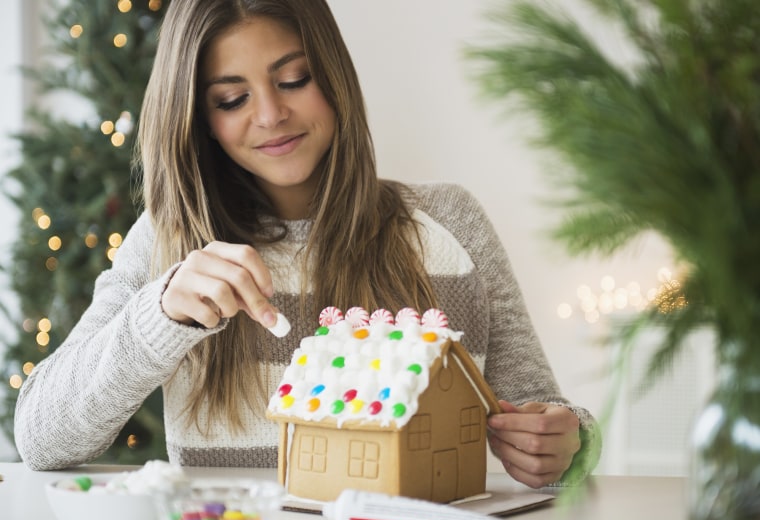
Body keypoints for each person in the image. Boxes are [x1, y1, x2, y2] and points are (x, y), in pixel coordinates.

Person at [14, 0, 600, 489]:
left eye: (294, 79)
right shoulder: (167, 242)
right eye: (231, 99)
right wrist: (160, 314)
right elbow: (40, 437)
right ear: (197, 116)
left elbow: (545, 420)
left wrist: (569, 439)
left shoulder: (449, 227)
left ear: (334, 75)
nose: (271, 115)